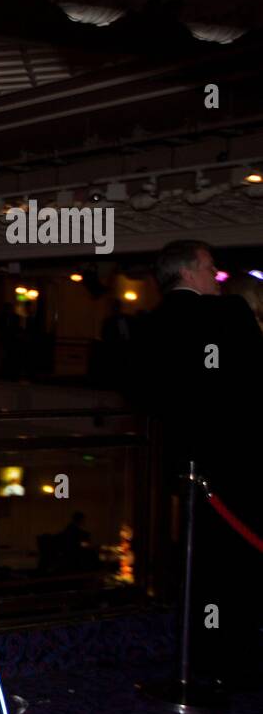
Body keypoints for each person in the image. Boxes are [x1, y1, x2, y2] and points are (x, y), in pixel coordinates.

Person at [130, 240, 263, 690]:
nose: (216, 276)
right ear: (188, 273)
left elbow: (143, 396)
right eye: (209, 267)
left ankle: (200, 656)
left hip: (182, 466)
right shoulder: (230, 316)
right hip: (235, 466)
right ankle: (230, 660)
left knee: (197, 564)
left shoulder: (148, 326)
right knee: (234, 569)